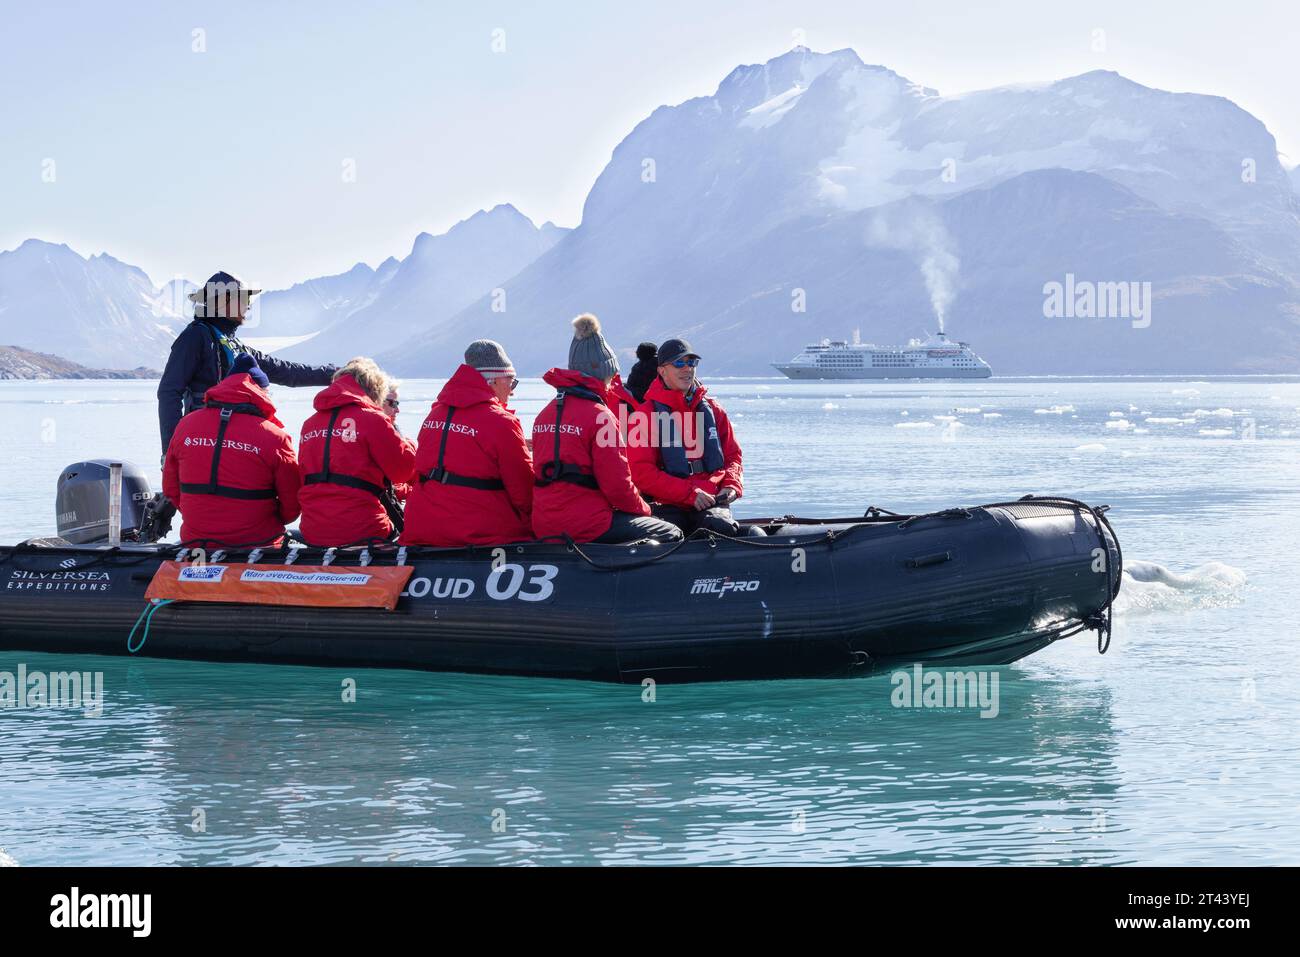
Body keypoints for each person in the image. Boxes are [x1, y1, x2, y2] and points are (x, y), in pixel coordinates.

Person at [531, 315, 682, 545]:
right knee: (670, 532)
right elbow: (618, 487)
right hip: (587, 525)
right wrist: (646, 509)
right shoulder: (600, 416)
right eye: (611, 376)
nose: (612, 383)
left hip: (544, 526)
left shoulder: (545, 414)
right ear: (603, 374)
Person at [157, 271, 337, 455]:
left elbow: (286, 372)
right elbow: (169, 391)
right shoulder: (194, 337)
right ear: (223, 302)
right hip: (202, 442)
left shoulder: (233, 344)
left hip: (230, 440)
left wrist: (336, 374)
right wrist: (171, 451)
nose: (249, 306)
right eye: (243, 299)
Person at [402, 341, 535, 547]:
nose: (512, 391)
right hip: (480, 533)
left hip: (422, 527)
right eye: (511, 381)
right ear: (493, 380)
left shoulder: (436, 414)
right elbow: (524, 494)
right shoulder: (501, 423)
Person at [162, 354, 301, 547]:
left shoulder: (185, 425)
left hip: (197, 542)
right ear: (261, 392)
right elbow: (292, 504)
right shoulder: (275, 437)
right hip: (259, 544)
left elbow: (170, 487)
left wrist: (202, 516)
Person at [629, 337, 759, 537]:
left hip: (711, 500)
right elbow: (641, 472)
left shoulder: (714, 410)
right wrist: (689, 494)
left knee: (721, 528)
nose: (687, 368)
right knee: (667, 537)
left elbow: (733, 456)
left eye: (692, 362)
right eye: (679, 363)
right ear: (662, 371)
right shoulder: (644, 415)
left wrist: (732, 485)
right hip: (666, 504)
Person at [297, 357, 416, 546]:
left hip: (313, 531)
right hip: (364, 530)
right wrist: (407, 443)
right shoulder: (374, 420)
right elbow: (403, 472)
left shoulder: (309, 424)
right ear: (375, 389)